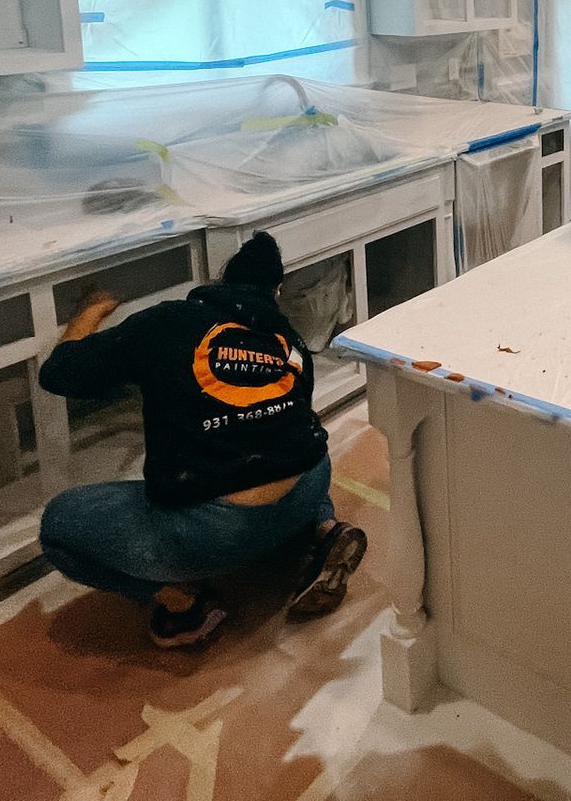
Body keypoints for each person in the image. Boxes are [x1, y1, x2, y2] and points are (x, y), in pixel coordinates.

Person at [37, 231, 367, 648]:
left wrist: (92, 310)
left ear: (217, 283)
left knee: (59, 525)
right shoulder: (289, 340)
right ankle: (326, 528)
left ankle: (185, 607)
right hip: (307, 485)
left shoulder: (168, 321)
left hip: (215, 531)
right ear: (276, 290)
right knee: (292, 437)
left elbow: (60, 372)